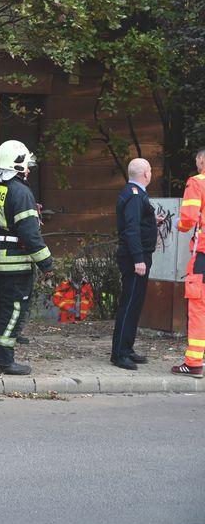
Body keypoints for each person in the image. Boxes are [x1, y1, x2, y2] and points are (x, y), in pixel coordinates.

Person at [0, 140, 53, 375]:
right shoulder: (21, 191)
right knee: (13, 309)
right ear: (18, 164)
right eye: (27, 164)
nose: (28, 169)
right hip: (15, 264)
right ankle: (2, 360)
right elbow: (30, 233)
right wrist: (47, 263)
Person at [110, 158, 160, 370]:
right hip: (134, 259)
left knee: (134, 304)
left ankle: (127, 348)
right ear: (146, 174)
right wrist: (139, 259)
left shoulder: (134, 193)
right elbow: (131, 229)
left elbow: (136, 222)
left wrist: (152, 221)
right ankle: (119, 354)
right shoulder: (135, 195)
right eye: (150, 171)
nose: (151, 174)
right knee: (129, 304)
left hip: (136, 257)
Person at [173, 147, 205, 378]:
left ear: (202, 160)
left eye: (196, 160)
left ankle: (194, 363)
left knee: (198, 309)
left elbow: (188, 218)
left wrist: (180, 226)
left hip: (203, 256)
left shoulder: (197, 182)